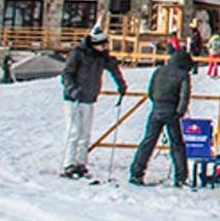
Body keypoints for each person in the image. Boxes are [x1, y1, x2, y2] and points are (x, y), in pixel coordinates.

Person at [60, 25, 127, 179]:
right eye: (102, 45)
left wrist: (121, 85)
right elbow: (67, 74)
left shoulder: (102, 56)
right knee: (74, 131)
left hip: (89, 98)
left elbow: (114, 68)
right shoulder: (78, 54)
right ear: (94, 43)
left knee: (85, 133)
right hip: (73, 98)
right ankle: (68, 163)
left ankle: (80, 163)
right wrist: (72, 89)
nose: (105, 48)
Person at [128, 48, 193, 186]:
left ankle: (136, 172)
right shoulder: (183, 75)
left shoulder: (159, 71)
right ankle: (181, 177)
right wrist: (180, 111)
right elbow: (184, 95)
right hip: (172, 111)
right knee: (177, 144)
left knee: (148, 142)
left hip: (156, 109)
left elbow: (150, 91)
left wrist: (157, 103)